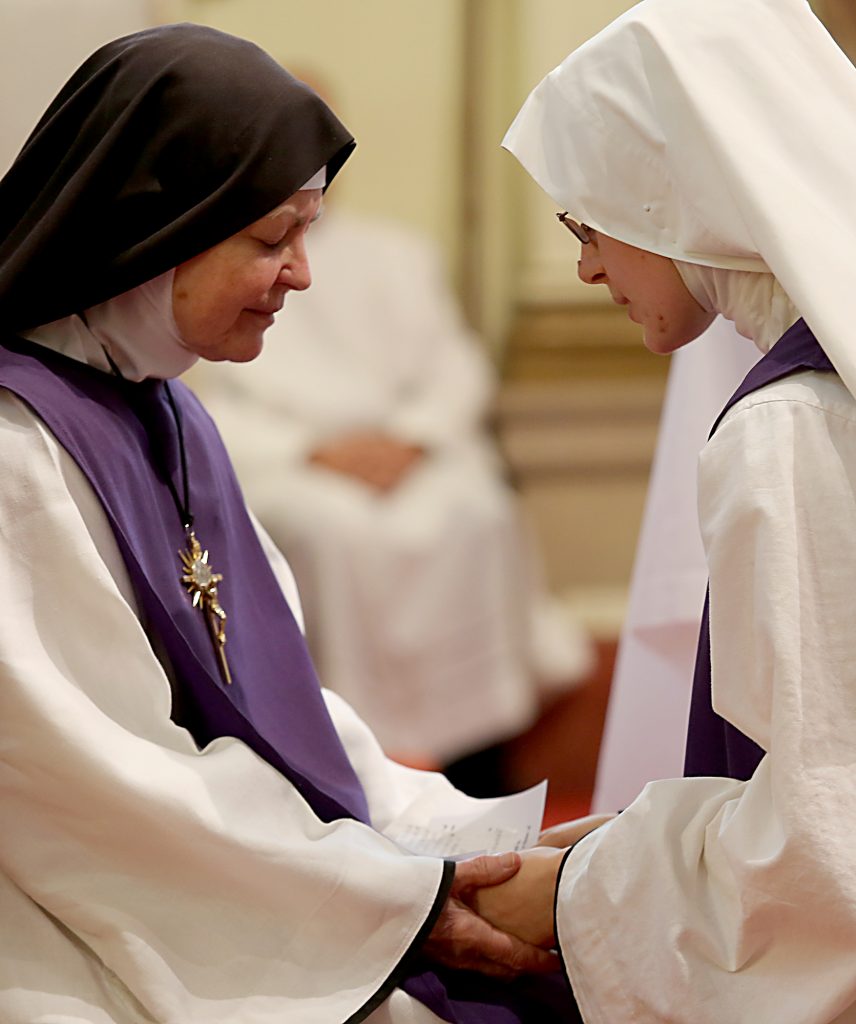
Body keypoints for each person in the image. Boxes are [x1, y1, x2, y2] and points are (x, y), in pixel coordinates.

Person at [0, 25, 580, 1023]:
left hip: (225, 866)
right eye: (271, 240)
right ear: (157, 227)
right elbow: (96, 786)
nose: (303, 274)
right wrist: (399, 899)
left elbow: (272, 694)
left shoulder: (165, 405)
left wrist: (431, 837)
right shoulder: (20, 451)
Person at [469, 0, 856, 1020]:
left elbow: (823, 848)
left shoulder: (788, 425)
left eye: (585, 222)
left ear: (665, 197)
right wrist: (632, 842)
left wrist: (572, 893)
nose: (588, 264)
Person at [189, 203, 592, 770]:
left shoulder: (395, 251)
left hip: (406, 452)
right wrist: (314, 451)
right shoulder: (216, 256)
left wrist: (411, 438)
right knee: (328, 532)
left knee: (478, 512)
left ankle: (473, 751)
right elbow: (216, 395)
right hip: (301, 460)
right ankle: (350, 746)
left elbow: (453, 364)